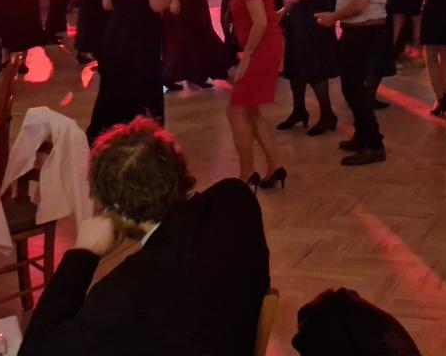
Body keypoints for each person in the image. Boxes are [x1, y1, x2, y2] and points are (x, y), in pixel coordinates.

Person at [18, 118, 270, 356]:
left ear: (115, 207)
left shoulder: (127, 294)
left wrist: (82, 256)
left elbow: (34, 351)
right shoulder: (236, 200)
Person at [315, 0, 391, 167]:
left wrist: (332, 17)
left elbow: (360, 3)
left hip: (361, 29)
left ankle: (373, 143)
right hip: (372, 27)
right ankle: (362, 135)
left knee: (353, 87)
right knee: (354, 85)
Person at [87, 0, 169, 142]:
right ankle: (144, 139)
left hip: (115, 35)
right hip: (141, 37)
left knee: (114, 89)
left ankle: (110, 138)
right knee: (144, 89)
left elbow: (106, 4)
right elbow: (157, 4)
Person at [223, 0, 285, 189]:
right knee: (250, 110)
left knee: (236, 111)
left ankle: (247, 172)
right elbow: (266, 18)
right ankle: (274, 166)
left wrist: (246, 57)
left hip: (260, 50)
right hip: (265, 47)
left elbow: (260, 22)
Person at [278, 0, 339, 136]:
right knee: (295, 66)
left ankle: (327, 114)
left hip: (312, 18)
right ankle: (299, 110)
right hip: (298, 17)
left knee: (314, 67)